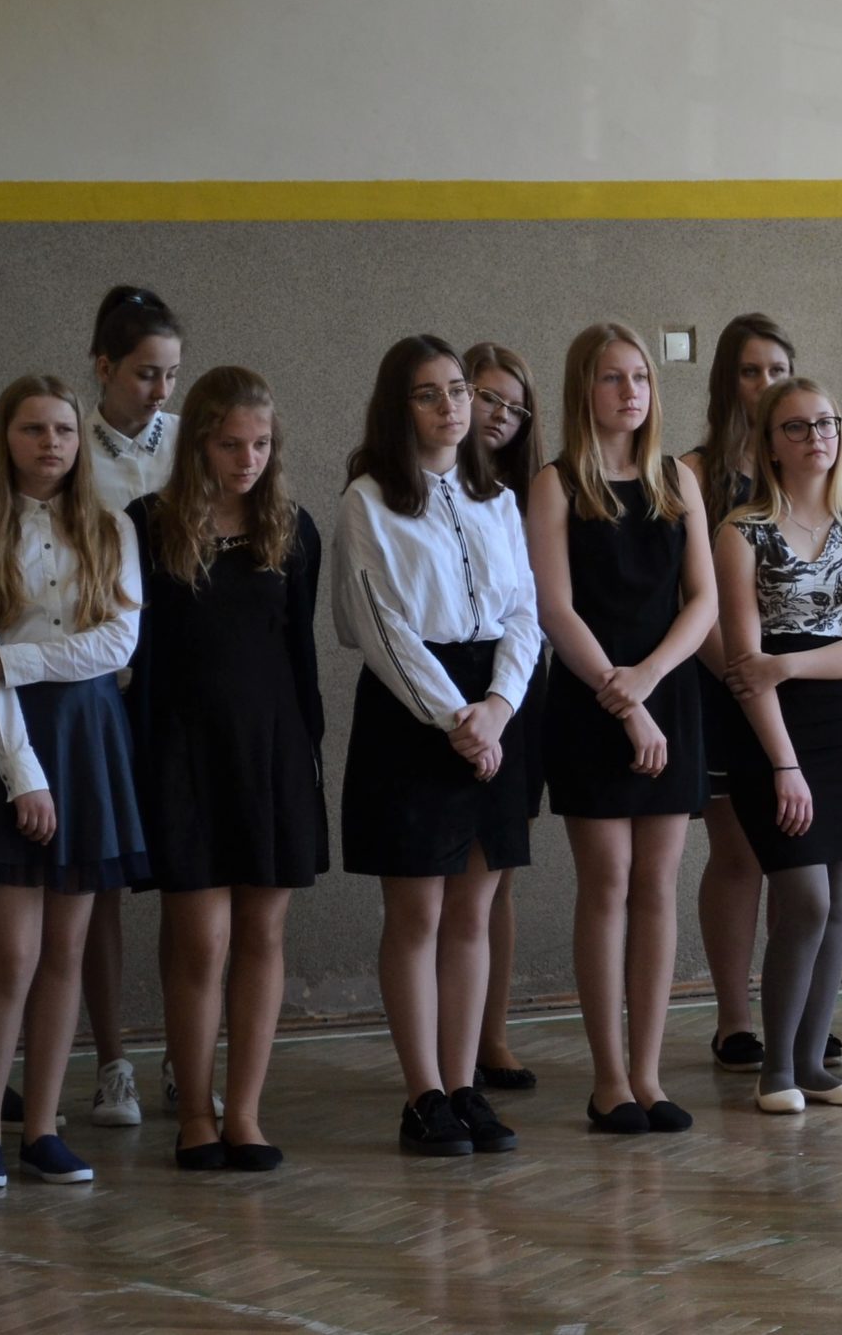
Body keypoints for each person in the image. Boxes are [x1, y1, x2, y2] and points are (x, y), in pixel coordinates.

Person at [333, 335, 538, 1155]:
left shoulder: (499, 499)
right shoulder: (369, 500)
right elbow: (382, 629)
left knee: (473, 912)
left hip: (494, 707)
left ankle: (463, 1086)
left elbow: (523, 613)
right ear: (399, 407)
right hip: (416, 711)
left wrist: (499, 706)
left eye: (459, 390)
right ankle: (423, 1094)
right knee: (418, 912)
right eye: (429, 393)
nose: (451, 406)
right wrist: (458, 719)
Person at [125, 366, 325, 1171]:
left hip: (272, 751)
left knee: (262, 933)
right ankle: (195, 1112)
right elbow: (139, 654)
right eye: (231, 445)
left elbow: (299, 653)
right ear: (199, 444)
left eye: (261, 445)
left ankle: (244, 1112)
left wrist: (306, 755)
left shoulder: (292, 529)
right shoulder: (148, 525)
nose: (247, 460)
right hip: (183, 751)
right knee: (200, 940)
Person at [529, 322, 712, 1135]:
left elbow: (703, 600)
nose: (630, 391)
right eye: (613, 378)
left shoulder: (678, 480)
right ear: (585, 389)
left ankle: (648, 1073)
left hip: (666, 693)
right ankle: (608, 1079)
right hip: (590, 697)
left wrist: (651, 679)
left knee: (657, 885)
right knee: (607, 882)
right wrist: (624, 697)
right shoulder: (557, 483)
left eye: (640, 377)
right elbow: (554, 609)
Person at [0, 376, 144, 1188]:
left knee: (66, 948)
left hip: (88, 736)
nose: (51, 444)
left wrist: (11, 658)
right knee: (9, 951)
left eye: (64, 430)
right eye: (33, 429)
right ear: (5, 438)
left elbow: (116, 645)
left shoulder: (111, 528)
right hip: (1, 739)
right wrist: (23, 776)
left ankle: (41, 1127)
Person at [716, 377, 842, 1113]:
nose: (816, 437)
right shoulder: (741, 531)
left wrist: (787, 665)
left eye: (826, 423)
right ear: (769, 444)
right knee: (806, 901)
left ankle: (815, 1065)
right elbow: (742, 664)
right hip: (771, 732)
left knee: (838, 902)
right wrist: (783, 763)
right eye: (796, 426)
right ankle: (776, 1070)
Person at [679, 314, 842, 1075]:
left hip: (795, 689)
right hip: (722, 681)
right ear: (727, 382)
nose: (766, 383)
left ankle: (797, 1017)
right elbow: (694, 596)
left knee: (800, 857)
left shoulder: (813, 473)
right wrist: (738, 675)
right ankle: (735, 1018)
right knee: (740, 852)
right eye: (751, 371)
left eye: (778, 369)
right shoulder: (695, 472)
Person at [81, 284, 186, 1129]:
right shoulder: (67, 447)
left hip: (181, 689)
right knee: (102, 883)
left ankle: (188, 1056)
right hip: (100, 687)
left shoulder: (193, 445)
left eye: (171, 374)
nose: (160, 390)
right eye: (146, 373)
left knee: (191, 878)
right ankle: (113, 1061)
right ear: (104, 367)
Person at [463, 342, 546, 1092]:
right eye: (488, 397)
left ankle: (491, 1035)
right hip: (447, 685)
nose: (500, 416)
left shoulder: (525, 495)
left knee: (500, 872)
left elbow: (532, 609)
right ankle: (444, 1048)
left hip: (517, 687)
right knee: (444, 879)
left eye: (515, 408)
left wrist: (506, 696)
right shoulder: (407, 484)